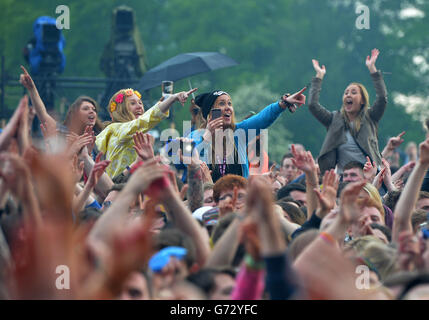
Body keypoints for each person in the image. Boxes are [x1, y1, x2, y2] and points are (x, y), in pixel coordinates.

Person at [191, 88, 306, 182]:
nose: (228, 108)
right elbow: (186, 158)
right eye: (221, 103)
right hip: (209, 202)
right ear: (210, 113)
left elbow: (262, 118)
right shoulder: (195, 136)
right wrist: (206, 137)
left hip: (239, 200)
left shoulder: (239, 132)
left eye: (229, 103)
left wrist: (283, 103)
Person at [308, 49, 387, 174]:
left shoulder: (370, 116)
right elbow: (313, 105)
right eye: (346, 93)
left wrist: (372, 68)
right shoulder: (334, 119)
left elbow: (382, 98)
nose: (348, 95)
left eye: (354, 92)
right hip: (344, 179)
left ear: (362, 100)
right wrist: (319, 76)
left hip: (369, 179)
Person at [95, 88, 196, 178]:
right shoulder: (117, 129)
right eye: (132, 103)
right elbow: (143, 122)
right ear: (121, 109)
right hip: (118, 191)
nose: (139, 106)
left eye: (140, 103)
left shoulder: (137, 133)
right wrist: (172, 99)